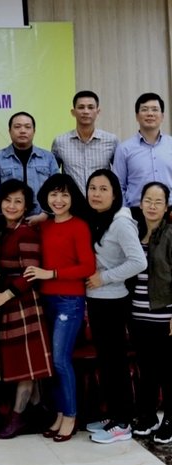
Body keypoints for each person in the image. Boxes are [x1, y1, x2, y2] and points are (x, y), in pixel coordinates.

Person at [24, 173, 95, 443]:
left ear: (72, 198)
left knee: (60, 360)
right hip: (46, 300)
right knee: (51, 362)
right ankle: (59, 413)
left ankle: (71, 416)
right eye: (54, 194)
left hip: (69, 300)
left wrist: (51, 273)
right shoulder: (44, 226)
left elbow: (87, 267)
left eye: (65, 194)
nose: (59, 200)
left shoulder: (79, 226)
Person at [0, 180, 53, 439]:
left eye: (18, 202)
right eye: (7, 200)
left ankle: (17, 418)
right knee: (20, 364)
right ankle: (38, 414)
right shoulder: (3, 230)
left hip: (22, 302)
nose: (11, 206)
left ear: (26, 207)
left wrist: (4, 296)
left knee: (27, 366)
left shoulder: (25, 232)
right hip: (6, 301)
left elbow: (31, 274)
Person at [84, 169, 146, 444]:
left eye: (103, 189)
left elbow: (138, 262)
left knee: (116, 362)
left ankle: (123, 422)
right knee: (106, 361)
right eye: (92, 188)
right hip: (97, 299)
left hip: (113, 300)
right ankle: (114, 414)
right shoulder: (98, 218)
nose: (96, 194)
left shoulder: (121, 222)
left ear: (115, 193)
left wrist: (105, 277)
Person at [130, 182, 172, 444]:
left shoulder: (170, 234)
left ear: (166, 207)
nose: (152, 206)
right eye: (148, 200)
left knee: (167, 371)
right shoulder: (134, 233)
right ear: (141, 203)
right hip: (138, 315)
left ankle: (169, 420)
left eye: (158, 202)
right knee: (146, 370)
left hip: (164, 316)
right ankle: (147, 416)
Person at [0, 111, 59, 224]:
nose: (22, 131)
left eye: (27, 127)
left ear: (34, 131)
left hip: (43, 222)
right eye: (17, 127)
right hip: (7, 225)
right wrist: (4, 218)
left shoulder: (48, 158)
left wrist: (46, 214)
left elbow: (57, 190)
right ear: (9, 131)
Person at [51, 91, 119, 195]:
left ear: (98, 111)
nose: (86, 111)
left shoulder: (111, 140)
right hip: (72, 203)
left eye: (90, 107)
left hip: (101, 201)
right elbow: (53, 177)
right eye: (81, 107)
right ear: (73, 112)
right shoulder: (60, 142)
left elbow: (120, 175)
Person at [113, 93, 172, 210]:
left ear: (162, 116)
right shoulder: (124, 149)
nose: (150, 114)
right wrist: (125, 212)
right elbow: (118, 185)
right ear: (137, 116)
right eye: (144, 109)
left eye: (155, 109)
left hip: (170, 210)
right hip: (136, 212)